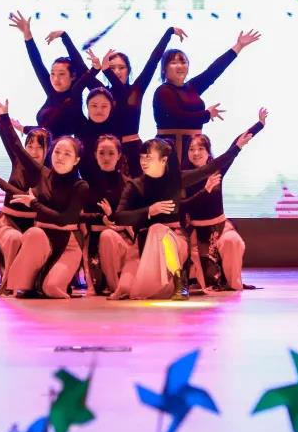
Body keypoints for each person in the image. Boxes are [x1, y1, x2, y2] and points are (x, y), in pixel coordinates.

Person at [110, 122, 261, 300]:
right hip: (143, 243)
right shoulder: (135, 186)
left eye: (149, 157)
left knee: (158, 231)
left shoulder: (177, 180)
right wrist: (149, 211)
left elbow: (210, 168)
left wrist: (237, 148)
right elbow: (119, 217)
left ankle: (179, 282)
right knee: (126, 288)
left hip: (175, 239)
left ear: (163, 160)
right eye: (142, 157)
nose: (144, 162)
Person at [0, 94, 89, 299]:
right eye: (58, 152)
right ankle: (14, 283)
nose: (60, 157)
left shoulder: (80, 185)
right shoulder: (40, 171)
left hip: (65, 242)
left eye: (67, 154)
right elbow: (14, 144)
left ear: (76, 160)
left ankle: (48, 280)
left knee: (51, 288)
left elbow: (65, 218)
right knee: (28, 239)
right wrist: (3, 116)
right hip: (36, 233)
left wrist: (32, 202)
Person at [50, 26, 186, 175]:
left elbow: (153, 61)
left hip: (133, 150)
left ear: (128, 70)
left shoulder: (136, 90)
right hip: (108, 152)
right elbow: (82, 68)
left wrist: (169, 33)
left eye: (121, 67)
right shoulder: (104, 92)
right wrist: (65, 37)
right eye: (112, 68)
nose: (117, 71)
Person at [0, 84, 50, 296]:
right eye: (30, 146)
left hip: (35, 227)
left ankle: (24, 284)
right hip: (9, 221)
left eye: (39, 147)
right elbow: (6, 135)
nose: (33, 151)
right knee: (14, 239)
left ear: (47, 149)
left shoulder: (49, 173)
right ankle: (7, 285)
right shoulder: (18, 160)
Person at [181, 108, 268, 291]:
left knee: (233, 241)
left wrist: (259, 125)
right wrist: (205, 190)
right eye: (191, 149)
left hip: (220, 226)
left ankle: (232, 282)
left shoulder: (216, 170)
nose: (196, 153)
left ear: (208, 152)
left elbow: (235, 145)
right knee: (204, 281)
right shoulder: (185, 176)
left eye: (201, 149)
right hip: (197, 232)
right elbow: (186, 207)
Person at [152, 29, 261, 162]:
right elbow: (178, 118)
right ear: (164, 69)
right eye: (174, 63)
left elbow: (213, 71)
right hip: (171, 151)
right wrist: (207, 115)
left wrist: (239, 46)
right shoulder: (162, 91)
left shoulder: (191, 87)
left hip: (195, 148)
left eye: (183, 62)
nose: (180, 66)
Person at [8, 11, 98, 136]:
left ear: (73, 76)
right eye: (53, 74)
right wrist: (27, 35)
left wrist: (64, 36)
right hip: (45, 146)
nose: (55, 79)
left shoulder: (75, 93)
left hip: (69, 147)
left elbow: (79, 64)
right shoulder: (51, 90)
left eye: (61, 74)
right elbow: (37, 63)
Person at [78, 134, 136, 295]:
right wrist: (100, 219)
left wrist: (113, 217)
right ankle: (113, 286)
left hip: (122, 240)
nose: (106, 158)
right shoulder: (85, 185)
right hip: (94, 241)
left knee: (108, 235)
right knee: (97, 288)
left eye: (111, 153)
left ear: (119, 155)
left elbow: (133, 216)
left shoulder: (128, 185)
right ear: (95, 155)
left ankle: (117, 287)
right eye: (101, 153)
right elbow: (78, 216)